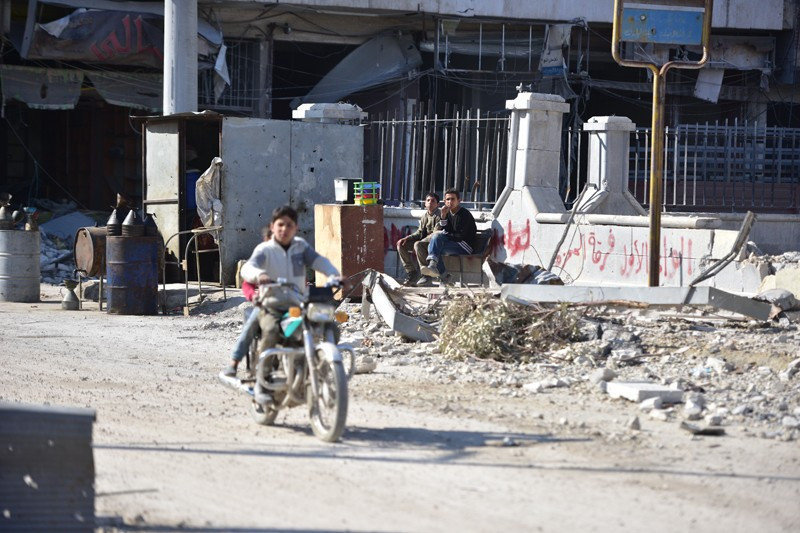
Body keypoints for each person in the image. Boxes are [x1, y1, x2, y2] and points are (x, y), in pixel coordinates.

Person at [222, 205, 341, 377]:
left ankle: (322, 365)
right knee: (269, 331)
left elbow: (320, 262)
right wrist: (259, 275)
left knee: (331, 327)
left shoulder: (301, 247)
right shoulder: (265, 250)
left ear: (296, 228)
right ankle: (261, 374)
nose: (284, 229)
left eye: (289, 225)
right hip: (272, 306)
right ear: (272, 227)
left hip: (298, 306)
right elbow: (248, 269)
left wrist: (334, 276)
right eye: (280, 225)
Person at [419, 188, 477, 285]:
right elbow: (446, 229)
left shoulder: (464, 214)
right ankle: (440, 272)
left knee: (436, 242)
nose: (450, 202)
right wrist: (443, 216)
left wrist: (443, 234)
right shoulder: (447, 212)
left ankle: (440, 273)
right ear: (444, 201)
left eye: (453, 199)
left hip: (464, 245)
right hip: (454, 242)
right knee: (434, 246)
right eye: (448, 199)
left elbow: (459, 236)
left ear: (459, 200)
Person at [395, 192, 440, 286]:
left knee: (418, 244)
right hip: (423, 242)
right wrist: (407, 238)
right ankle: (411, 273)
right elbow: (419, 232)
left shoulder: (439, 215)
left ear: (437, 204)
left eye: (433, 201)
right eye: (428, 200)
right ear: (425, 203)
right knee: (401, 244)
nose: (430, 203)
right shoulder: (425, 216)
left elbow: (436, 233)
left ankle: (426, 275)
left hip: (434, 244)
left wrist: (421, 241)